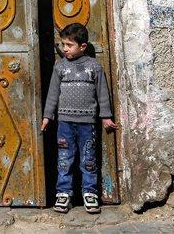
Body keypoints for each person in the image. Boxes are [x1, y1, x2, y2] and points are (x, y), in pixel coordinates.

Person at [41, 22, 117, 214]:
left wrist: (106, 117)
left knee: (88, 159)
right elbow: (52, 94)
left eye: (69, 45)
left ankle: (90, 193)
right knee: (64, 159)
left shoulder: (94, 67)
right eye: (63, 44)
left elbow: (102, 94)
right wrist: (47, 116)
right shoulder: (60, 67)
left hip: (87, 124)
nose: (64, 49)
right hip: (64, 123)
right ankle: (64, 193)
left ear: (82, 47)